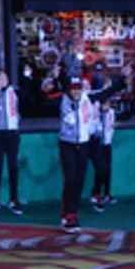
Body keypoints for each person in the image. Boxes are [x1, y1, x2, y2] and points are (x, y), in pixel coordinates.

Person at [52, 69, 127, 232]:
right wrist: (55, 77)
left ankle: (73, 214)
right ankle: (66, 215)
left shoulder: (89, 98)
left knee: (79, 180)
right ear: (68, 90)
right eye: (73, 89)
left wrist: (122, 78)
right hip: (68, 145)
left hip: (84, 144)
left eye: (78, 89)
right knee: (70, 180)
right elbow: (44, 99)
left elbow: (108, 91)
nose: (76, 92)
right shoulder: (62, 100)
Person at [0, 68, 24, 217]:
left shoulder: (14, 91)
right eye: (0, 79)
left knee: (13, 166)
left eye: (5, 78)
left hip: (12, 133)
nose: (4, 81)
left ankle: (14, 199)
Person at [88, 97, 116, 211]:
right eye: (104, 104)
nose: (106, 107)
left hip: (107, 145)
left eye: (108, 104)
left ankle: (106, 194)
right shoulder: (94, 113)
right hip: (95, 144)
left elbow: (124, 116)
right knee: (100, 169)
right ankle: (96, 195)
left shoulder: (112, 112)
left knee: (107, 170)